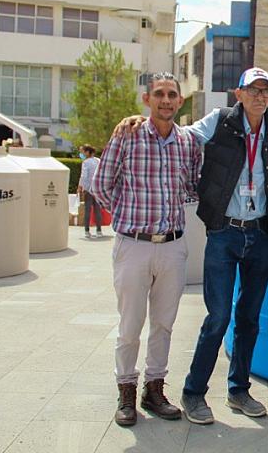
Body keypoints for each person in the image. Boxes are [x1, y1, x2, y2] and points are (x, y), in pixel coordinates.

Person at [111, 67, 268, 424]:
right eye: (251, 89)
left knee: (249, 318)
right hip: (224, 232)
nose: (259, 96)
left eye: (265, 90)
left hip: (260, 235)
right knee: (219, 316)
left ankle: (239, 390)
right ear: (238, 94)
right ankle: (194, 393)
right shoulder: (220, 121)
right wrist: (140, 120)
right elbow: (179, 135)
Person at [92, 72, 201, 427]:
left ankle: (154, 390)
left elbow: (193, 186)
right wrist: (126, 216)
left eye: (172, 94)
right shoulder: (128, 135)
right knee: (130, 325)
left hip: (172, 246)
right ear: (147, 99)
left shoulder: (187, 142)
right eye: (159, 94)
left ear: (180, 101)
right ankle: (126, 392)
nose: (166, 100)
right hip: (133, 246)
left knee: (164, 324)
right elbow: (101, 183)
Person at [78, 144, 104, 239]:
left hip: (88, 189)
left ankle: (87, 231)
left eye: (83, 152)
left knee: (87, 210)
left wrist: (81, 187)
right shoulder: (99, 161)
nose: (82, 154)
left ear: (88, 152)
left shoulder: (86, 162)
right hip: (97, 189)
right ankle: (99, 230)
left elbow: (84, 176)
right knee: (97, 210)